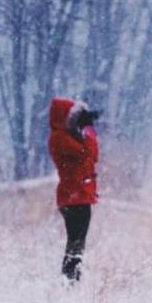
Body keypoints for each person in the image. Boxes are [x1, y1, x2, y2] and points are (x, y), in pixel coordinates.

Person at [47, 97, 99, 284]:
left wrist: (84, 129)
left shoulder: (66, 136)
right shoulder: (59, 138)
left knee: (77, 243)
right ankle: (69, 281)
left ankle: (71, 280)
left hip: (78, 196)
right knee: (76, 243)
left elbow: (92, 157)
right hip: (74, 198)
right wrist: (88, 130)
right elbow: (87, 153)